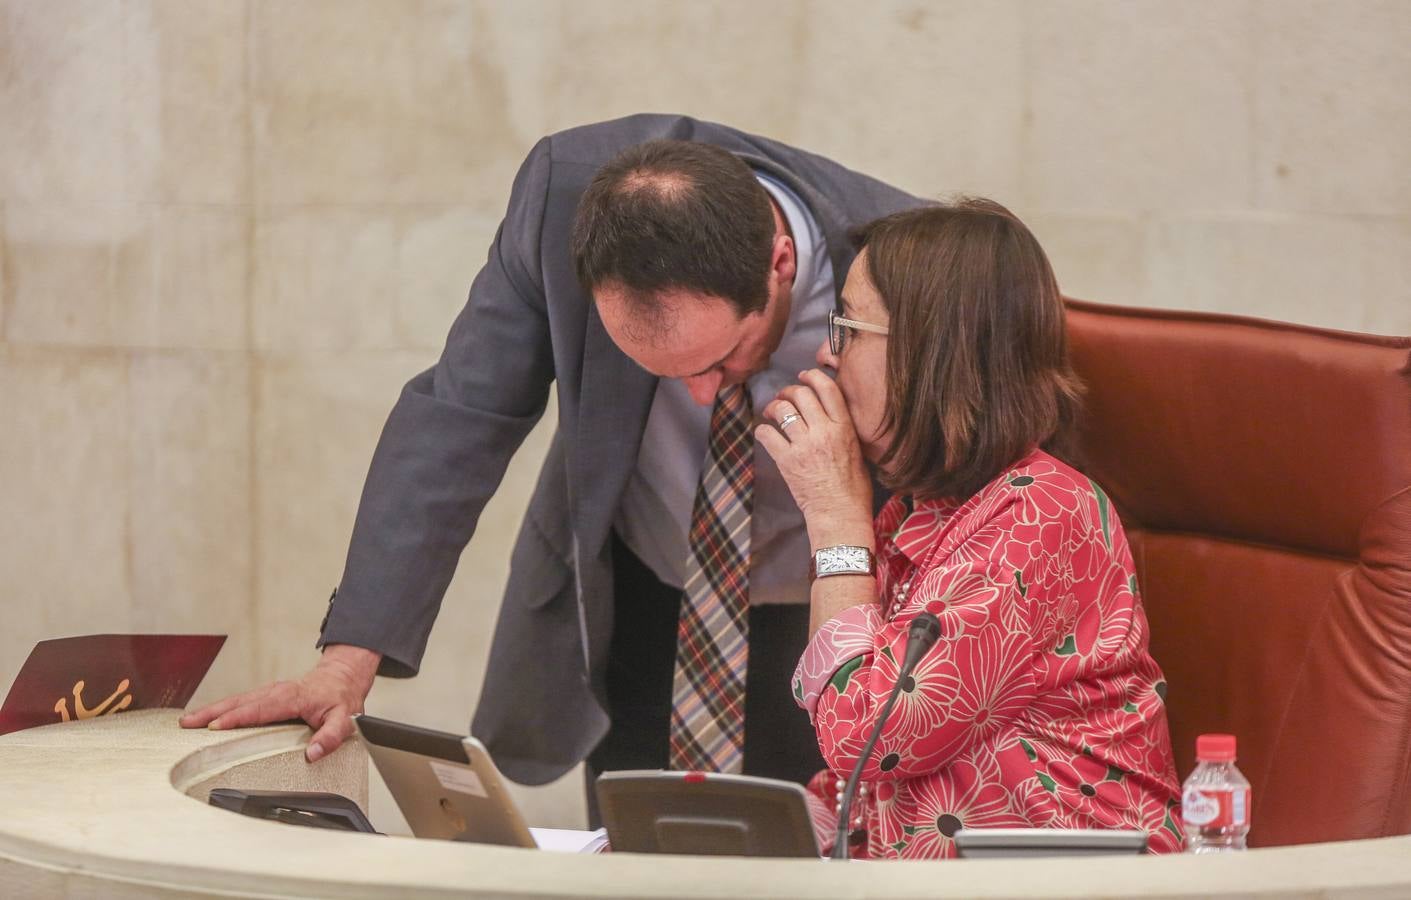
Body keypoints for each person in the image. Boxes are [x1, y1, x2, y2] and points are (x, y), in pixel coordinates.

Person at [180, 115, 927, 808]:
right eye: (662, 372)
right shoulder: (559, 199)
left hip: (835, 608)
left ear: (780, 263)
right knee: (640, 860)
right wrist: (346, 665)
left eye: (721, 359)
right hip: (644, 594)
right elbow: (457, 422)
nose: (697, 396)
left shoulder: (906, 252)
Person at [758, 200, 1183, 858]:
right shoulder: (916, 514)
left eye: (845, 326)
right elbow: (859, 775)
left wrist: (835, 517)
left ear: (933, 351)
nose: (823, 352)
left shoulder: (1042, 515)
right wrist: (739, 838)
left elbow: (864, 732)